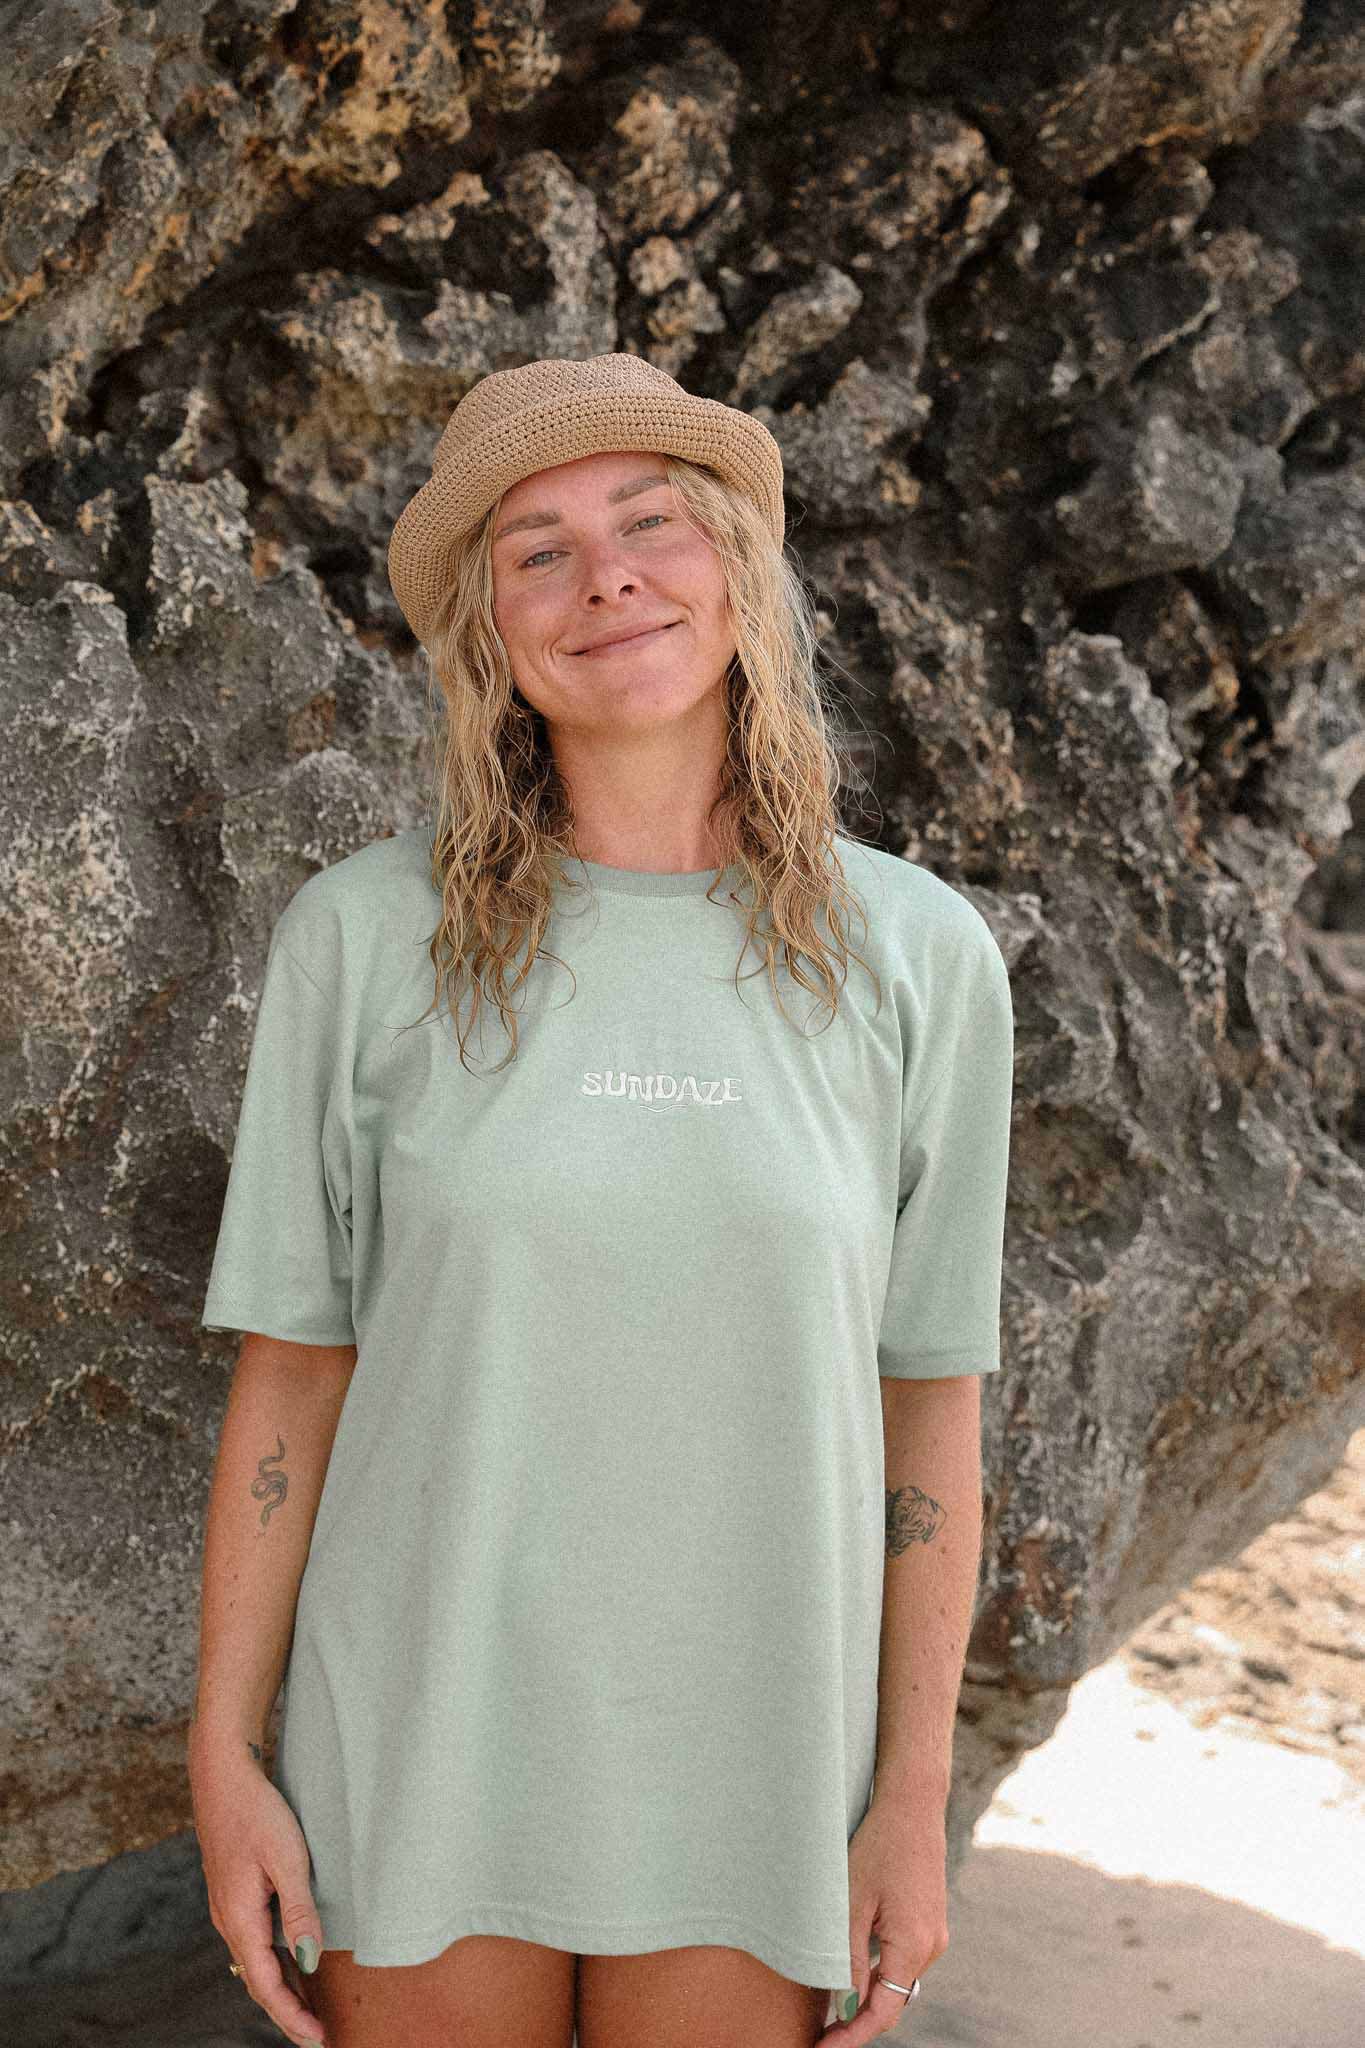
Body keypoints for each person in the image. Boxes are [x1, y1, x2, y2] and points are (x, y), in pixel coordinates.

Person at [188, 352, 1014, 2048]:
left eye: (650, 523)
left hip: (756, 1757)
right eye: (537, 552)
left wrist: (907, 1801)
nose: (607, 577)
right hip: (415, 1742)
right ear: (492, 634)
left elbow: (929, 1409)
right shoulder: (359, 940)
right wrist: (224, 1753)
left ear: (735, 572)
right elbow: (293, 1374)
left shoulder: (921, 956)